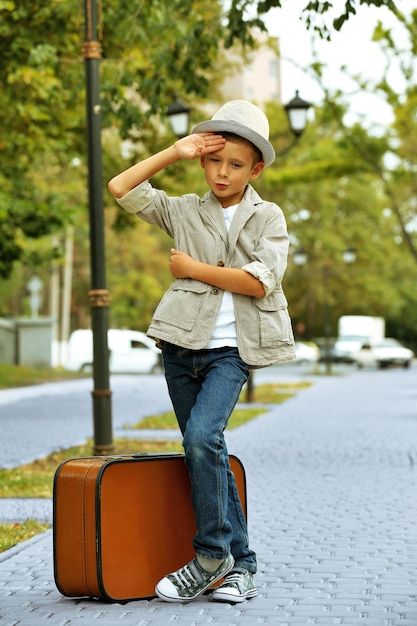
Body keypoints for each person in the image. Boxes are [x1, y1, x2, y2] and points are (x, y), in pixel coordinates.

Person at [108, 100, 296, 603]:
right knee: (204, 450)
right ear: (202, 161)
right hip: (180, 346)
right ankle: (243, 566)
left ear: (255, 169)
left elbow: (260, 282)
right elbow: (121, 188)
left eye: (236, 164)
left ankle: (211, 555)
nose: (222, 172)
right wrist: (174, 150)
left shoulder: (267, 216)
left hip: (230, 353)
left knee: (201, 438)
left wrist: (191, 269)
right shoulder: (185, 210)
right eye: (214, 161)